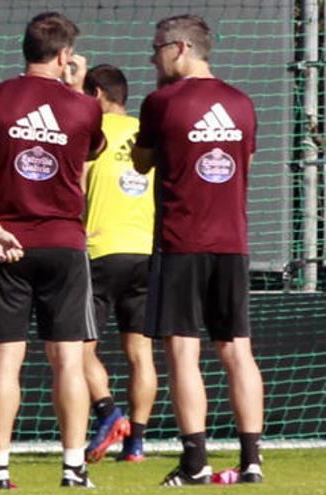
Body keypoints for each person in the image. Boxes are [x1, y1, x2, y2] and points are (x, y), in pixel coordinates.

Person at [0, 12, 106, 489]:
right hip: (64, 245)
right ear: (64, 56)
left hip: (8, 246)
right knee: (68, 361)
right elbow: (90, 152)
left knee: (3, 363)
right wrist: (77, 89)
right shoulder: (84, 107)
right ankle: (74, 468)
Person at [131, 14, 264, 486]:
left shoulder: (161, 102)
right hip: (232, 242)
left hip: (181, 241)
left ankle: (195, 460)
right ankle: (252, 461)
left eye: (157, 49)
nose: (153, 58)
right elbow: (243, 161)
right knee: (237, 351)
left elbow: (142, 161)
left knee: (183, 354)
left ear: (181, 48)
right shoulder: (242, 103)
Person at [80, 64, 157, 463]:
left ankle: (109, 413)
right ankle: (136, 445)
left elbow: (75, 186)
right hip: (146, 251)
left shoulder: (92, 134)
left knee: (76, 348)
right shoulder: (148, 130)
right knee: (140, 353)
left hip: (100, 250)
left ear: (95, 96)